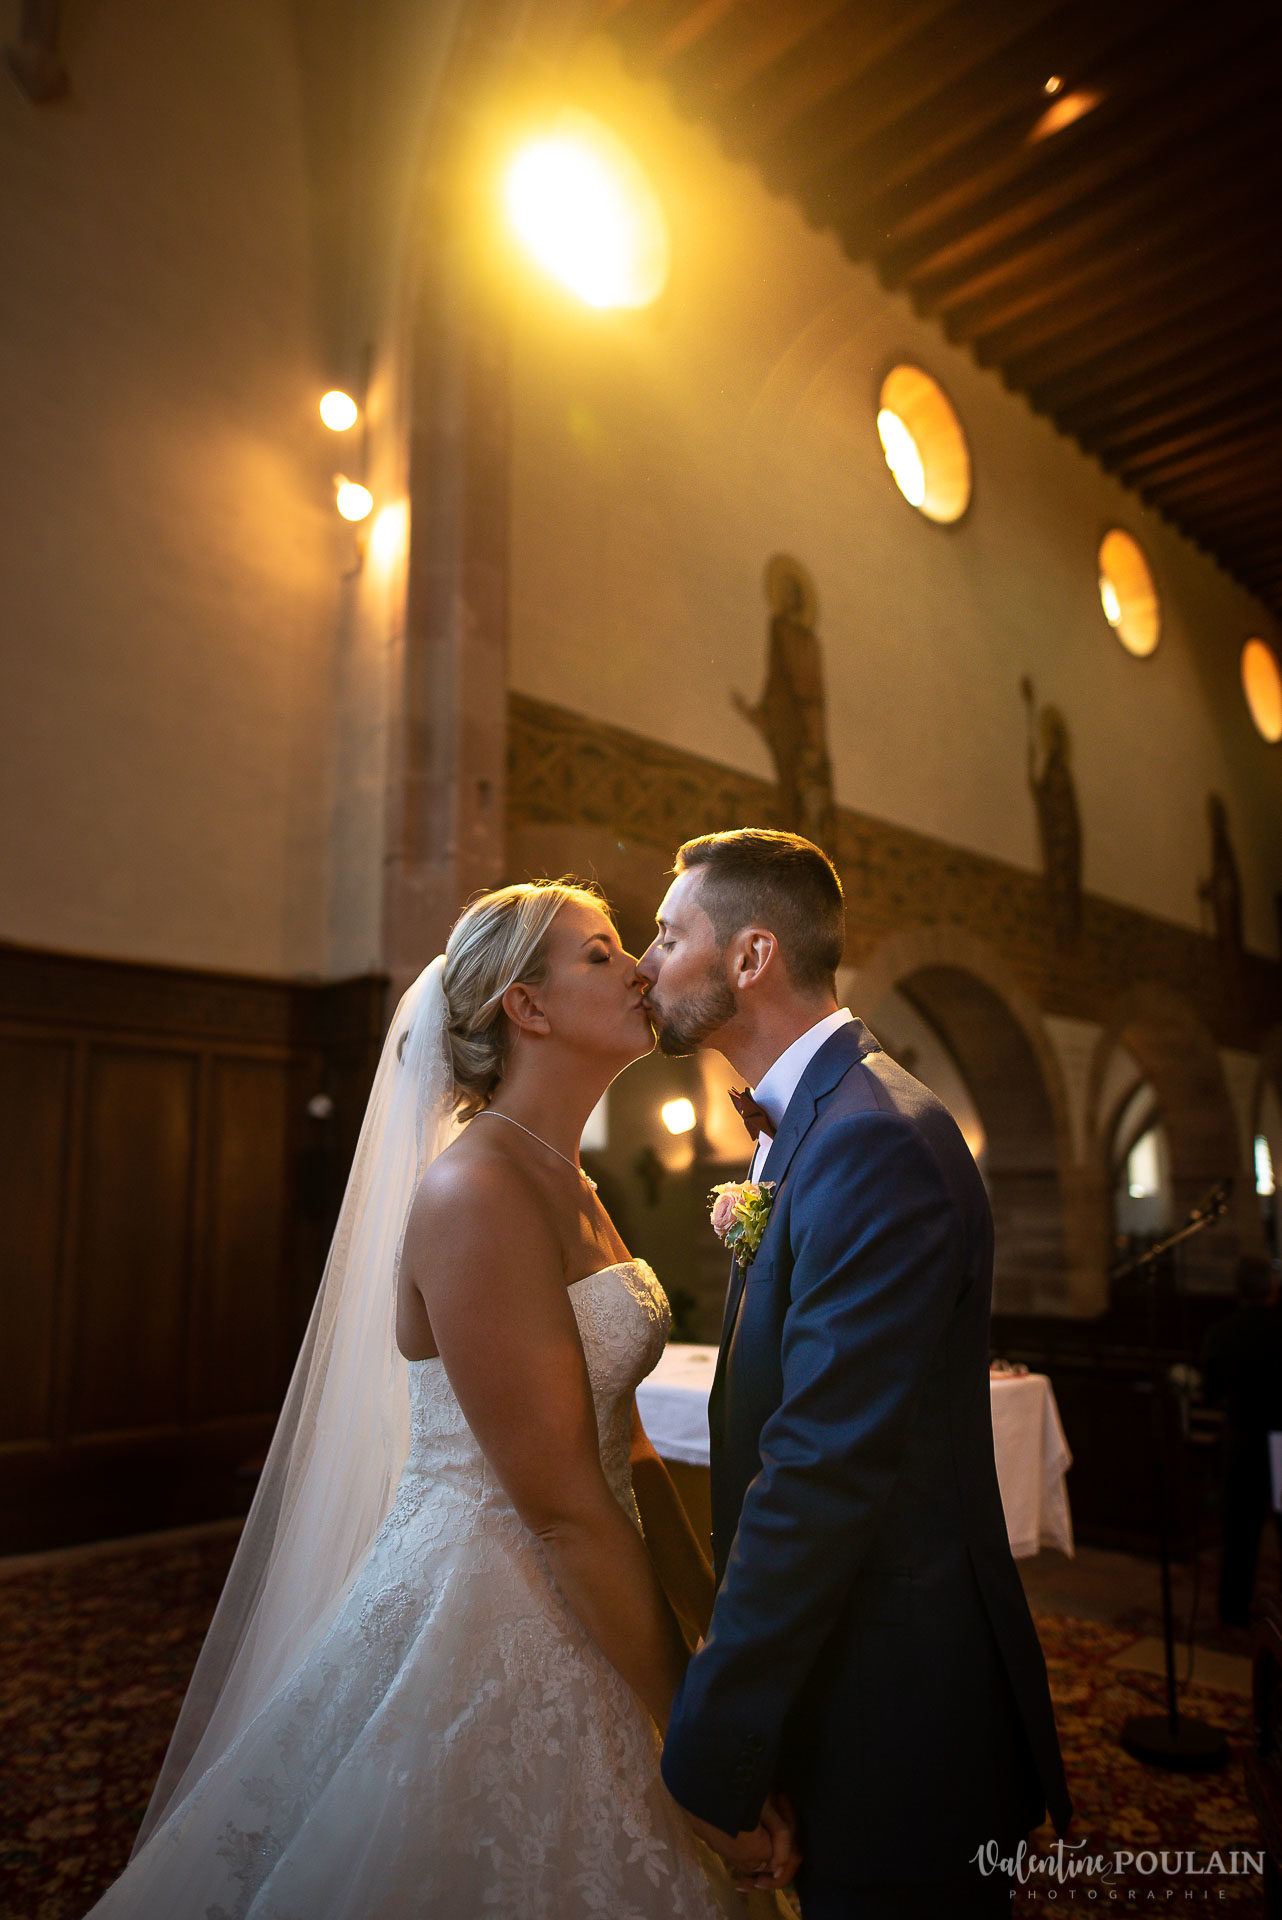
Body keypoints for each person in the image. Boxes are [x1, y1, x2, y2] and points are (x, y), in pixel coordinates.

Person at [84, 879, 795, 1919]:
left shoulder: (571, 1181)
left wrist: (707, 1635)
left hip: (593, 1567)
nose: (641, 968)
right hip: (498, 1594)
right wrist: (692, 1753)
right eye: (600, 954)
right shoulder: (478, 1192)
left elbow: (626, 1450)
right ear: (527, 1007)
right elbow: (558, 1504)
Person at [637, 829, 1073, 1919]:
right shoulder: (809, 1127)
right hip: (843, 1668)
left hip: (899, 1697)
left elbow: (819, 1469)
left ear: (750, 957)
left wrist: (710, 1748)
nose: (647, 963)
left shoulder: (873, 1137)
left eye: (665, 934)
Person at [1201, 1252, 1282, 1627]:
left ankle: (1233, 1611)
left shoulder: (1223, 1332)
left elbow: (1210, 1390)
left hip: (1242, 1437)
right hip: (1280, 1439)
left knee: (1240, 1531)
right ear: (1272, 1289)